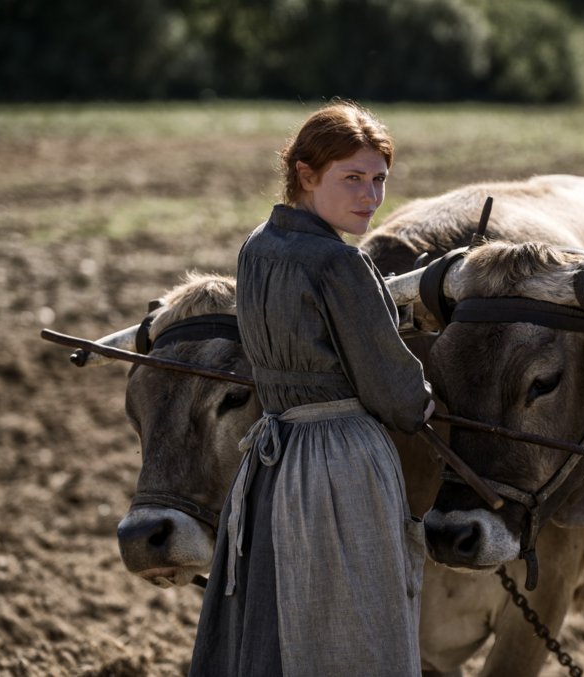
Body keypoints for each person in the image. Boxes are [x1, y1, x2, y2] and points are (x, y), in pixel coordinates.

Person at [189, 100, 434, 676]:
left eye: (378, 180)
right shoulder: (339, 265)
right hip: (341, 464)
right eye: (352, 178)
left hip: (275, 462)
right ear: (305, 174)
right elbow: (395, 394)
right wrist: (427, 401)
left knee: (280, 620)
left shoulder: (256, 249)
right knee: (352, 628)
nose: (370, 197)